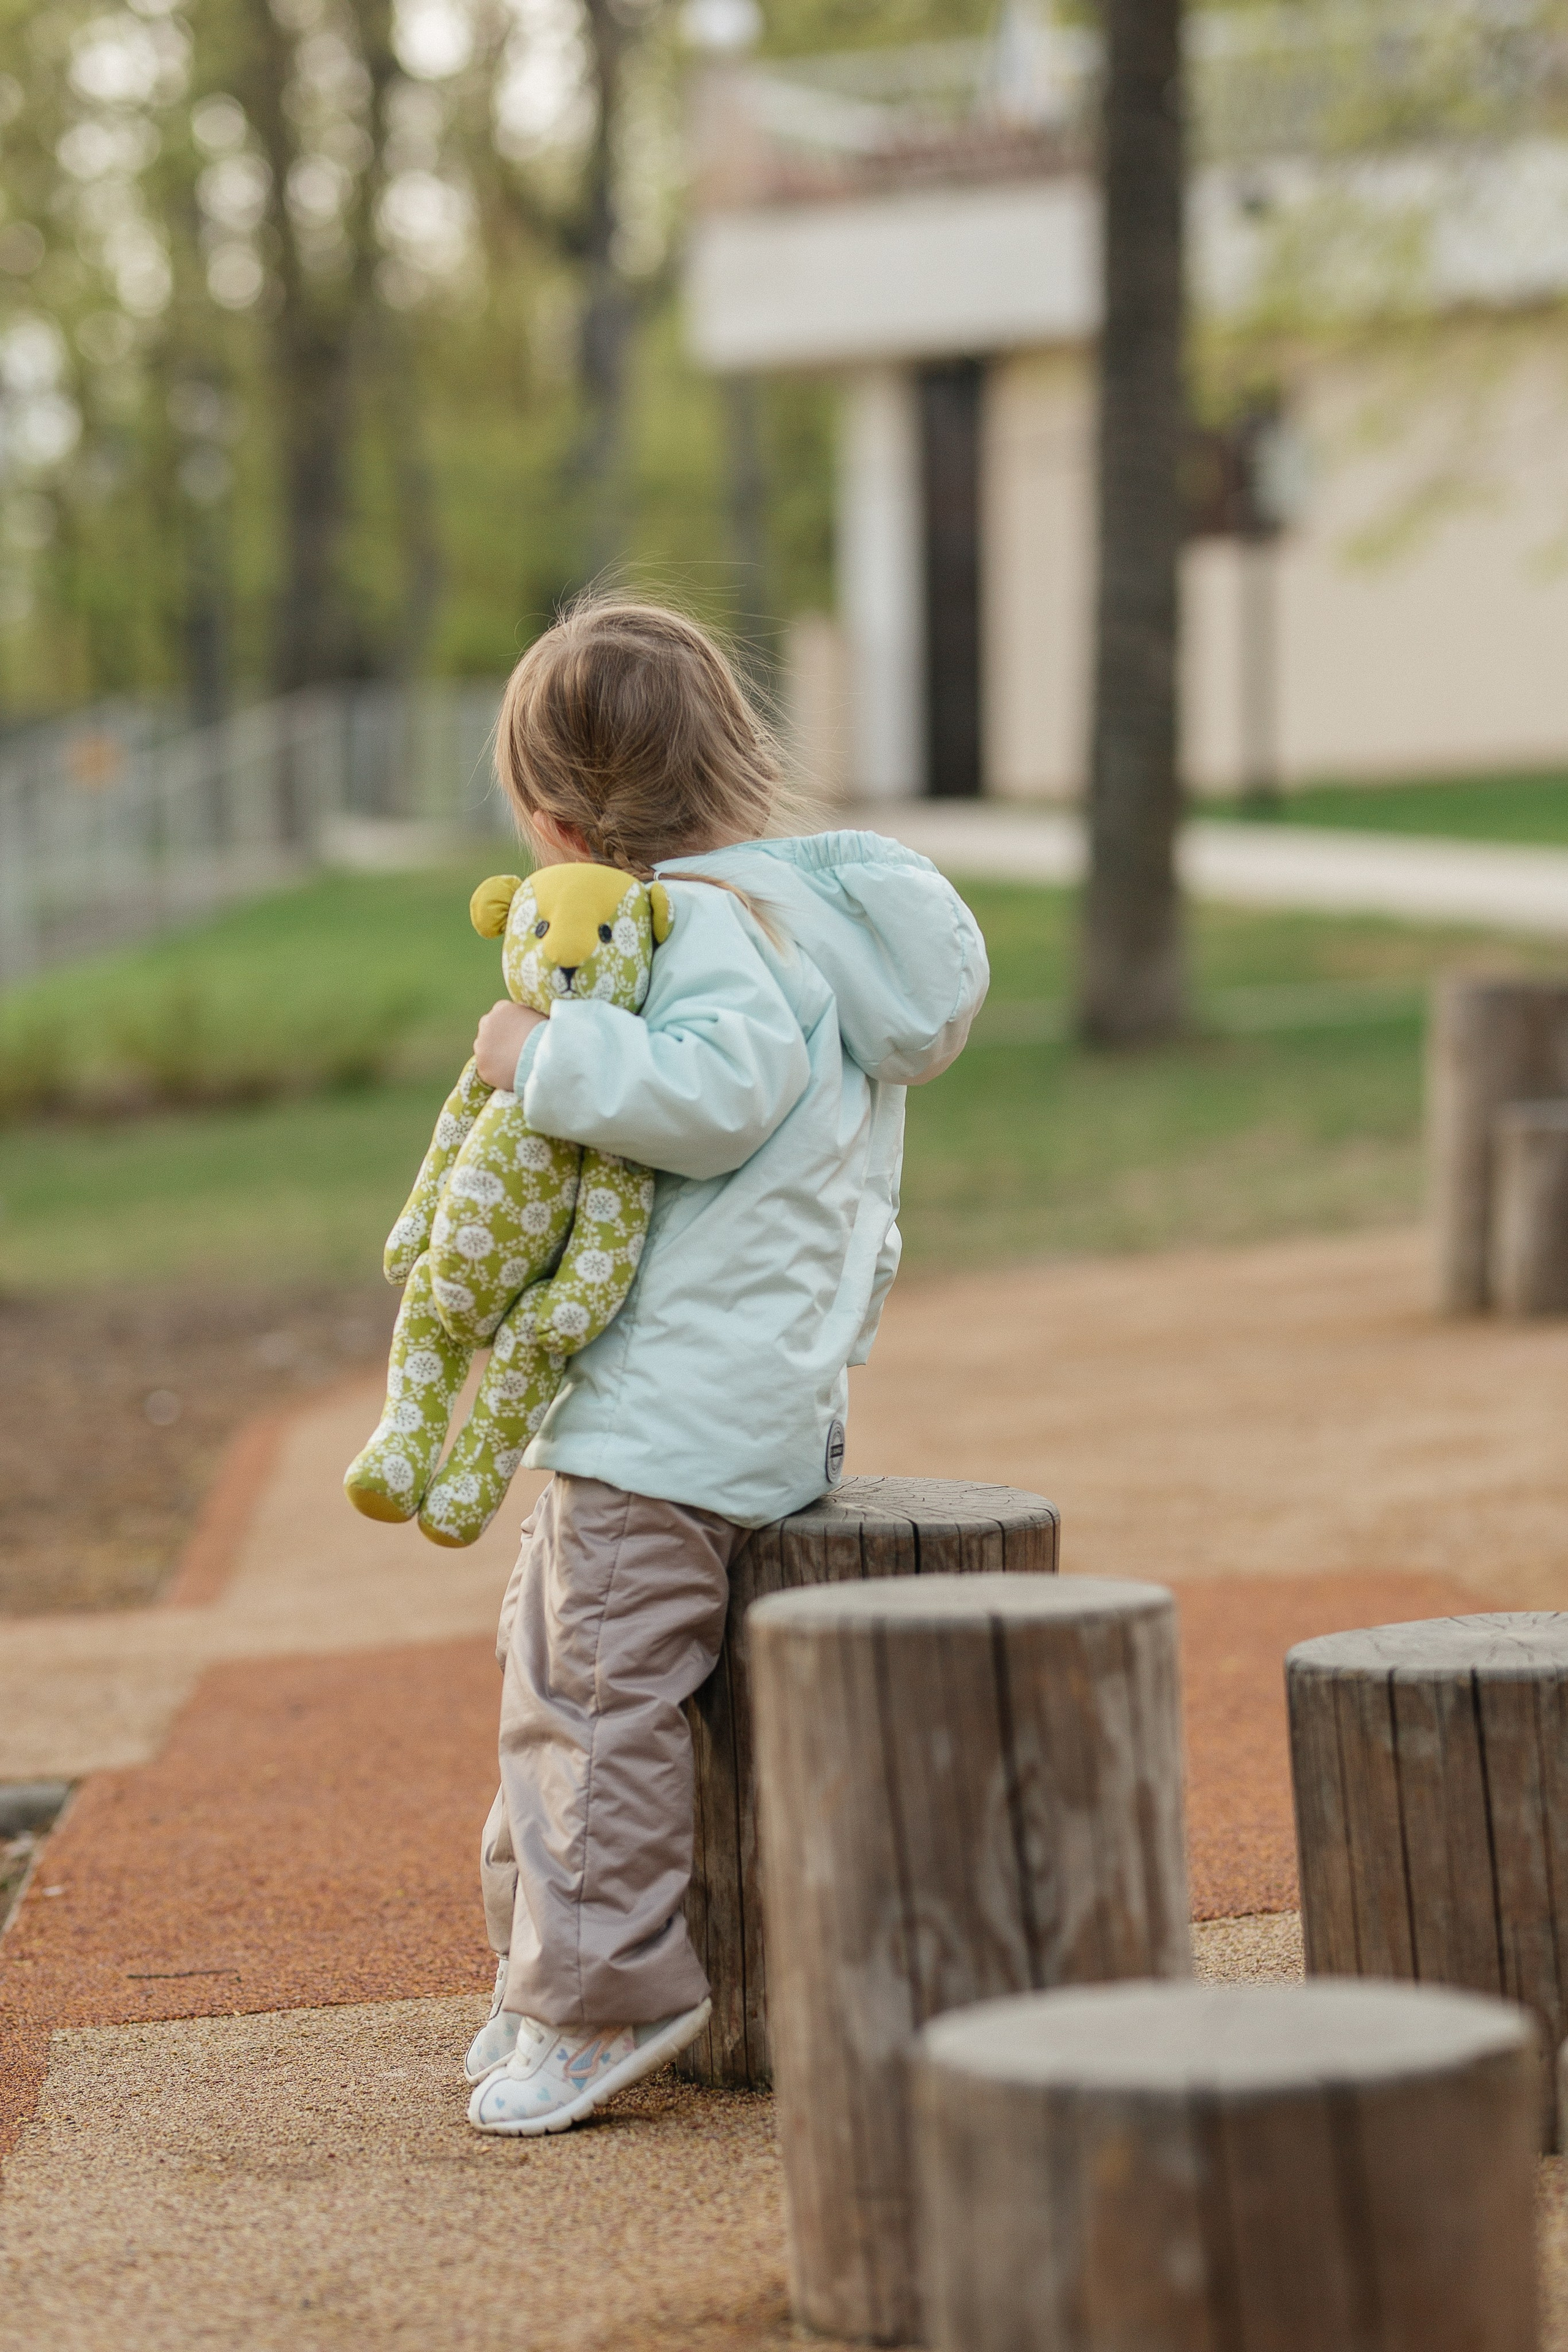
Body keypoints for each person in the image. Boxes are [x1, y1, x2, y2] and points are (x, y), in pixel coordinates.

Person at [460, 597, 989, 2136]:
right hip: (735, 1397)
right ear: (742, 771)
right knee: (557, 1664)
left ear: (555, 824)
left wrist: (535, 1060)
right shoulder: (772, 915)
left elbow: (716, 1096)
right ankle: (535, 1968)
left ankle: (603, 1996)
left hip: (670, 1412)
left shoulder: (700, 927)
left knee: (598, 1696)